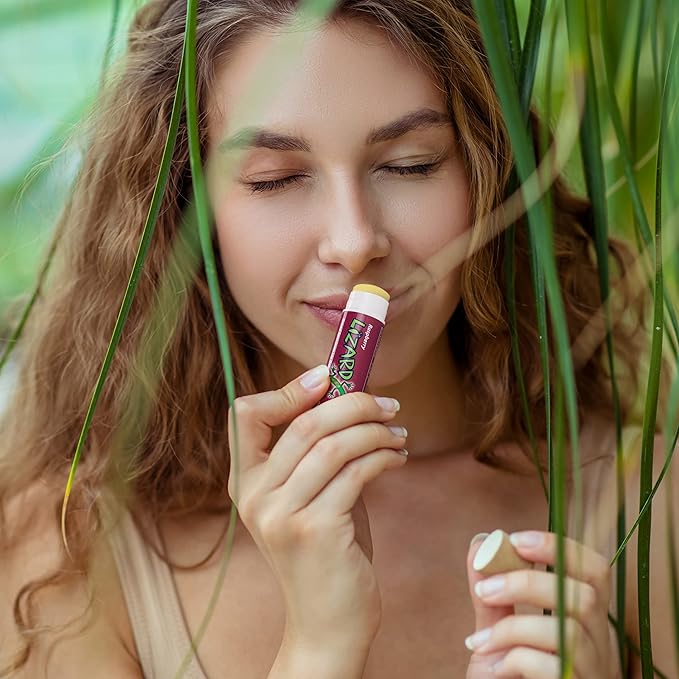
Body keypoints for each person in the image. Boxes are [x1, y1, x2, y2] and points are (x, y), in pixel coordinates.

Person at [0, 0, 675, 677]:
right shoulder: (63, 549)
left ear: (490, 172)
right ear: (182, 204)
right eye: (276, 179)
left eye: (410, 165)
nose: (354, 242)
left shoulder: (651, 501)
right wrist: (317, 649)